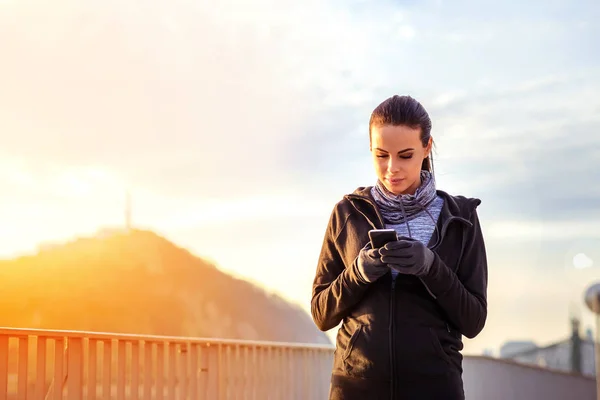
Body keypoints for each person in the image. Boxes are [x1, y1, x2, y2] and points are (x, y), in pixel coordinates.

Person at [310, 95, 488, 400]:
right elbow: (321, 313)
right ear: (370, 149)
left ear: (427, 147)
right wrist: (358, 273)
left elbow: (473, 320)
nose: (392, 168)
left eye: (405, 155)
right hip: (355, 389)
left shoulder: (461, 218)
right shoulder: (347, 214)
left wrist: (432, 267)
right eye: (382, 155)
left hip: (435, 389)